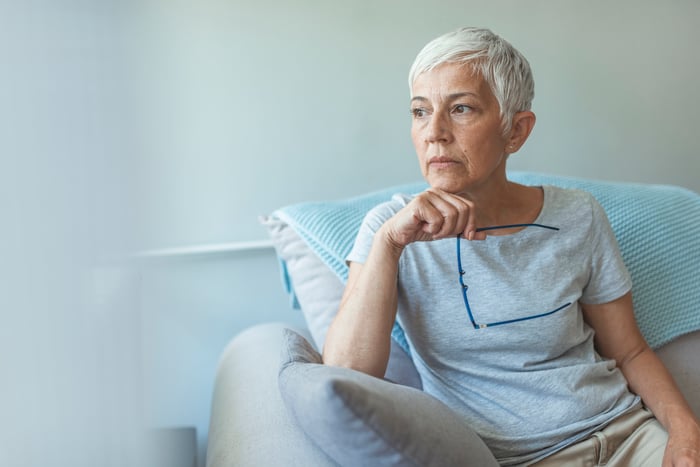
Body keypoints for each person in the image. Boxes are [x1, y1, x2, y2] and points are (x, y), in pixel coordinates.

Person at [323, 27, 700, 466]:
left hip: (627, 434)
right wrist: (390, 244)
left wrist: (686, 431)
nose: (435, 133)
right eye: (420, 112)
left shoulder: (579, 216)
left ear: (515, 131)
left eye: (461, 108)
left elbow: (630, 350)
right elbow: (347, 375)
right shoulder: (389, 230)